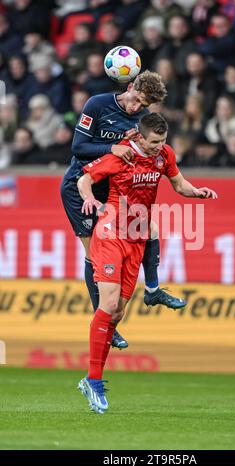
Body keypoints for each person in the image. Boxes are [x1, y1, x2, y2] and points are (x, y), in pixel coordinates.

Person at [76, 112, 218, 414]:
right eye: (154, 142)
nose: (159, 147)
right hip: (111, 233)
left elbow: (179, 185)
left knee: (116, 313)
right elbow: (84, 180)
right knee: (108, 302)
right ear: (140, 137)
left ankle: (92, 380)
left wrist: (197, 193)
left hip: (137, 238)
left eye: (163, 141)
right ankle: (95, 380)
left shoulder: (164, 155)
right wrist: (92, 200)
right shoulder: (123, 155)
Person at [60, 70, 186, 351]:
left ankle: (152, 290)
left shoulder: (139, 121)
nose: (136, 108)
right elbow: (78, 147)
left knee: (150, 228)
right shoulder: (97, 104)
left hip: (113, 187)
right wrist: (112, 147)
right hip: (81, 186)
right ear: (130, 87)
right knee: (94, 252)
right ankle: (103, 320)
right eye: (136, 100)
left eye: (143, 106)